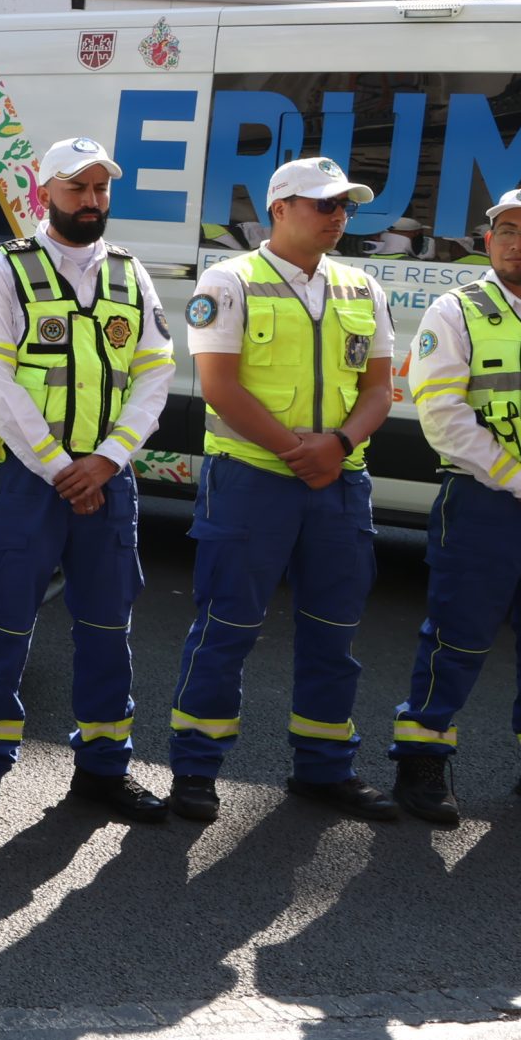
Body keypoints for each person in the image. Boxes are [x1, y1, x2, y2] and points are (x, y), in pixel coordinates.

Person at [0, 137, 174, 828]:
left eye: (102, 188)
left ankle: (104, 770)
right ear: (44, 191)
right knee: (7, 625)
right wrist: (59, 466)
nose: (92, 200)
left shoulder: (132, 276)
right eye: (77, 187)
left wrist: (106, 459)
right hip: (28, 479)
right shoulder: (5, 271)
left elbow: (154, 374)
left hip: (107, 481)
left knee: (109, 628)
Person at [171, 156, 397, 823]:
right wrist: (299, 451)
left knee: (334, 631)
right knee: (227, 628)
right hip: (251, 481)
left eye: (343, 206)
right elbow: (219, 386)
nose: (337, 217)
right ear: (279, 208)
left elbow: (381, 388)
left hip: (338, 482)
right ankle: (195, 769)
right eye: (322, 204)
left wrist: (338, 446)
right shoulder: (229, 280)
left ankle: (325, 769)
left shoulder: (362, 286)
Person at [387, 184, 521, 827]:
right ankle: (422, 760)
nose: (518, 242)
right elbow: (441, 415)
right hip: (486, 502)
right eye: (506, 230)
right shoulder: (458, 308)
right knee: (457, 638)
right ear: (487, 238)